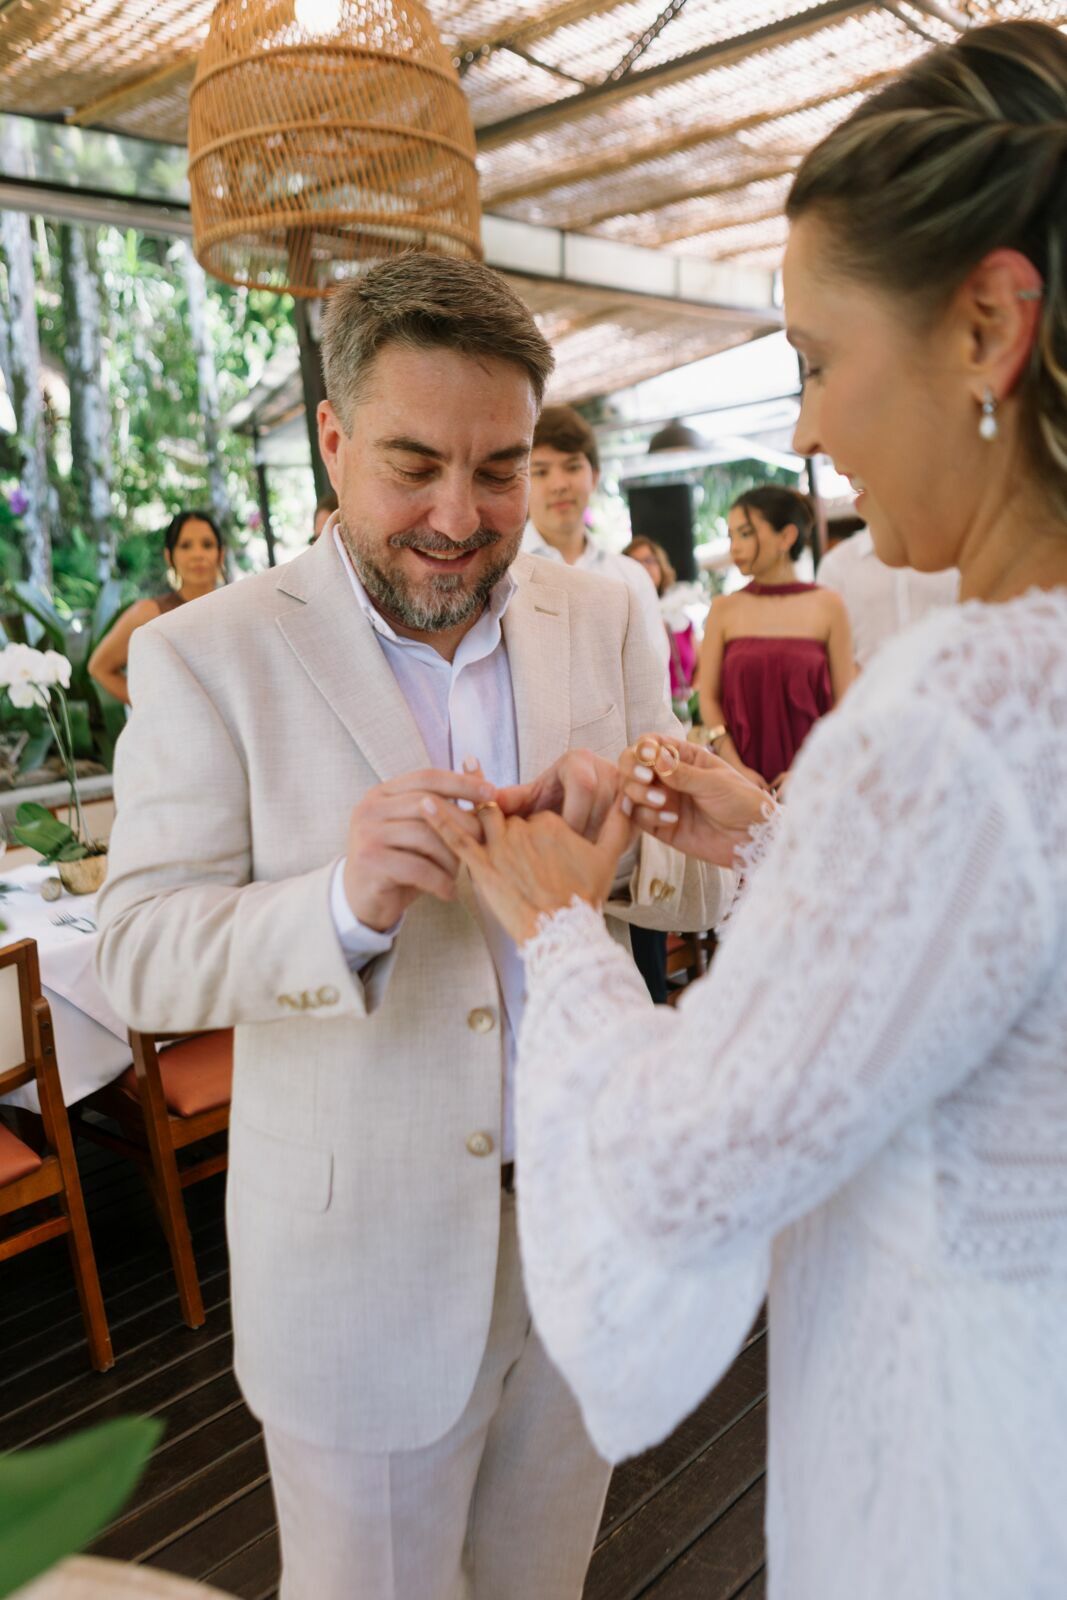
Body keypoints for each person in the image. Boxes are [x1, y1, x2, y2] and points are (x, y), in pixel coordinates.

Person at [419, 19, 1067, 1599]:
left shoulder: (953, 712)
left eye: (815, 360)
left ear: (987, 326)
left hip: (961, 1470)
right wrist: (776, 837)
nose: (803, 434)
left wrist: (556, 926)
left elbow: (675, 1174)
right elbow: (983, 976)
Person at [94, 252, 732, 1600]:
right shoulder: (205, 652)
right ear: (332, 441)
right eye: (413, 465)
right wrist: (342, 901)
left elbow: (683, 888)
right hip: (360, 1270)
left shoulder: (604, 612)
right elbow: (139, 954)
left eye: (498, 470)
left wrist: (632, 839)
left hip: (585, 1233)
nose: (457, 515)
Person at [697, 486, 853, 788]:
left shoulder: (829, 606)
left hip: (817, 780)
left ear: (786, 536)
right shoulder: (724, 609)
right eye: (731, 536)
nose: (734, 547)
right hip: (739, 781)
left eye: (745, 534)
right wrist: (735, 767)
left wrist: (809, 770)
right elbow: (708, 698)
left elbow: (845, 703)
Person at [522, 404, 668, 676]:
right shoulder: (502, 576)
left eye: (572, 467)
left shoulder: (631, 579)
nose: (559, 485)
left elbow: (653, 680)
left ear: (595, 476)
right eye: (541, 471)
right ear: (521, 482)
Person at [88, 510, 225, 705]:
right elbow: (99, 667)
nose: (198, 554)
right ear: (169, 556)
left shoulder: (236, 608)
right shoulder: (149, 613)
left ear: (221, 554)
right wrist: (153, 707)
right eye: (185, 545)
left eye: (207, 545)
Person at [817, 522, 959, 667]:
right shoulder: (836, 565)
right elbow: (832, 656)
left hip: (949, 678)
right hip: (870, 681)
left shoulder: (953, 554)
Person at [623, 536, 702, 709]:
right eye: (634, 562)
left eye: (649, 560)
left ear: (661, 566)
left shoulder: (682, 621)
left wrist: (691, 701)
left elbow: (701, 667)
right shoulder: (623, 620)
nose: (643, 567)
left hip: (682, 714)